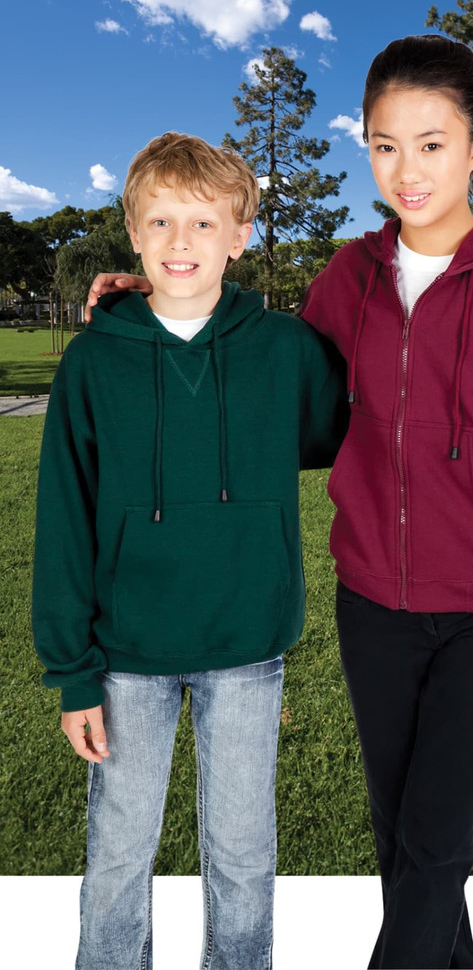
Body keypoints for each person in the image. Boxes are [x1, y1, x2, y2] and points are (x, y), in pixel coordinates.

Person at [86, 36, 473, 970]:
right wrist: (150, 306)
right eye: (385, 144)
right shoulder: (346, 283)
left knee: (437, 849)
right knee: (408, 850)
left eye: (432, 144)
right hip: (373, 609)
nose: (407, 169)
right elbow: (265, 378)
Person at [32, 131, 346, 970]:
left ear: (239, 235)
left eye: (204, 224)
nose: (181, 242)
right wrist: (71, 671)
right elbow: (61, 521)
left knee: (243, 859)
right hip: (125, 655)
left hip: (247, 650)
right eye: (162, 221)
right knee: (117, 861)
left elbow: (368, 431)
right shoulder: (93, 364)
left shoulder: (285, 351)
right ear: (132, 233)